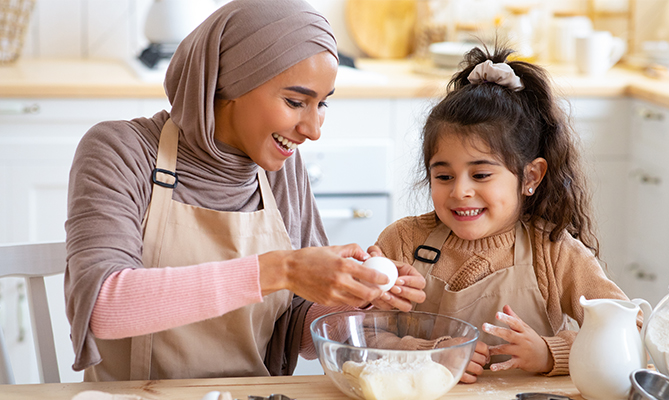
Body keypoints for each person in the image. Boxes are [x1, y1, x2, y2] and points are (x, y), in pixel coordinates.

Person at [64, 0, 424, 382]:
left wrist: (356, 301)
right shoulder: (121, 150)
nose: (313, 129)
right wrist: (282, 269)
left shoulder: (279, 172)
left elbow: (299, 335)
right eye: (295, 101)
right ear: (231, 82)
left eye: (322, 104)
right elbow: (104, 307)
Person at [368, 45, 638, 381]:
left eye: (480, 175)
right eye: (443, 176)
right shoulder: (403, 242)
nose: (460, 191)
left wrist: (549, 352)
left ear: (531, 177)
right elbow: (365, 336)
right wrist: (429, 355)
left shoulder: (553, 252)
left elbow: (630, 331)